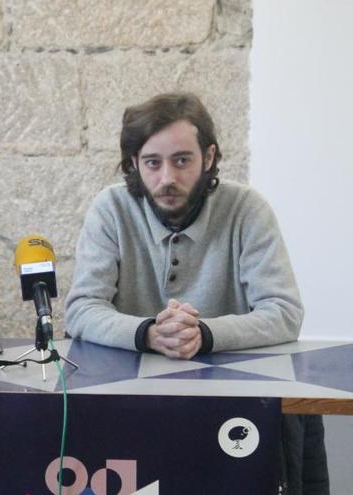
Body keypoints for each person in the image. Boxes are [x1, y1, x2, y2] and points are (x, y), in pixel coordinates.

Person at [64, 93, 328, 494]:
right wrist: (149, 332)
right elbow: (81, 309)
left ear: (208, 157)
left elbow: (285, 311)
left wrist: (203, 334)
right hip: (129, 405)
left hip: (234, 406)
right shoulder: (110, 208)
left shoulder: (247, 209)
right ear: (134, 162)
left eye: (182, 160)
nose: (167, 177)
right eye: (153, 162)